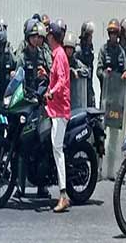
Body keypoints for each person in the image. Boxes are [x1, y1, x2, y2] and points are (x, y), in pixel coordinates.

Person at [45, 19, 71, 213]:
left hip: (60, 109)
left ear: (52, 37)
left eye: (48, 34)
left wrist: (52, 91)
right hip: (52, 108)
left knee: (57, 148)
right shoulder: (56, 55)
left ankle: (63, 194)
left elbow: (62, 80)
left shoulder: (60, 55)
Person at [96, 19, 126, 107]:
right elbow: (98, 70)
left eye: (115, 33)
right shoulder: (103, 50)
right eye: (111, 33)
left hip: (118, 95)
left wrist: (125, 73)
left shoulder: (121, 51)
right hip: (106, 94)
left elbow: (125, 70)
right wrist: (105, 73)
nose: (113, 36)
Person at [16, 19, 49, 95]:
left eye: (36, 36)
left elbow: (51, 75)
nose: (35, 39)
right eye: (32, 36)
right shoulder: (22, 57)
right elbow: (17, 81)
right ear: (28, 38)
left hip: (41, 97)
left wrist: (45, 75)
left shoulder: (43, 54)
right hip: (27, 98)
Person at [64, 31, 89, 109]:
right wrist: (69, 71)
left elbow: (86, 71)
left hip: (75, 99)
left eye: (71, 48)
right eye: (68, 48)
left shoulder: (76, 62)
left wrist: (77, 72)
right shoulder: (62, 61)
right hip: (64, 99)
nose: (69, 50)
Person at [76, 21, 96, 107]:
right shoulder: (78, 50)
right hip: (80, 87)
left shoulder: (90, 49)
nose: (91, 37)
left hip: (89, 85)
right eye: (89, 35)